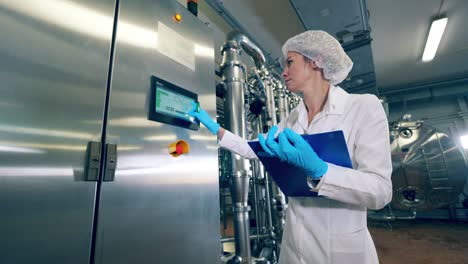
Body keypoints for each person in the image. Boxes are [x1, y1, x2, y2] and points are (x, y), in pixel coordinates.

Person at [189, 30, 392, 264]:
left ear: (316, 61)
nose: (284, 72)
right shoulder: (293, 119)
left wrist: (321, 172)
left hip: (339, 251)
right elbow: (251, 149)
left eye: (290, 62)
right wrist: (214, 128)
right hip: (295, 248)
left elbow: (381, 191)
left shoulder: (362, 107)